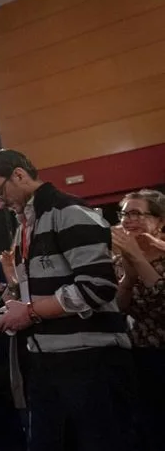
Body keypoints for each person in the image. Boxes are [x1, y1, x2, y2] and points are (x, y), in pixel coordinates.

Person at [0, 149, 135, 451]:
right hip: (47, 362)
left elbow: (97, 287)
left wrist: (31, 312)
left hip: (90, 361)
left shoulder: (68, 212)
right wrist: (2, 315)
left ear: (19, 175)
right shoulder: (26, 225)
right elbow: (35, 294)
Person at [113, 189, 165, 451]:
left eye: (137, 213)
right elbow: (119, 308)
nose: (128, 220)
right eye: (124, 214)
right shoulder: (117, 260)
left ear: (160, 221)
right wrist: (127, 279)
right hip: (141, 356)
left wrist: (137, 257)